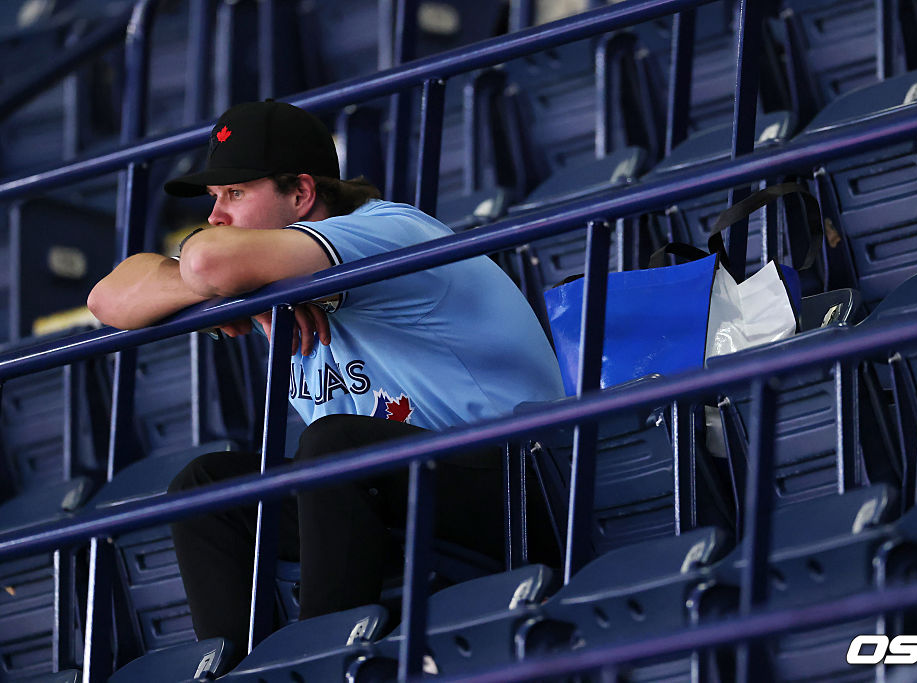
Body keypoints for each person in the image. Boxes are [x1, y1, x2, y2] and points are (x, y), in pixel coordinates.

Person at [87, 100, 565, 660]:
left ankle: (317, 663)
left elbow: (206, 263)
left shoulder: (386, 229)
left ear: (301, 193)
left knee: (334, 443)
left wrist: (222, 282)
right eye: (214, 198)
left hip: (516, 480)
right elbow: (106, 299)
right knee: (208, 486)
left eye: (235, 193)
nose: (216, 216)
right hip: (391, 490)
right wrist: (235, 289)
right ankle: (244, 670)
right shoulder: (271, 271)